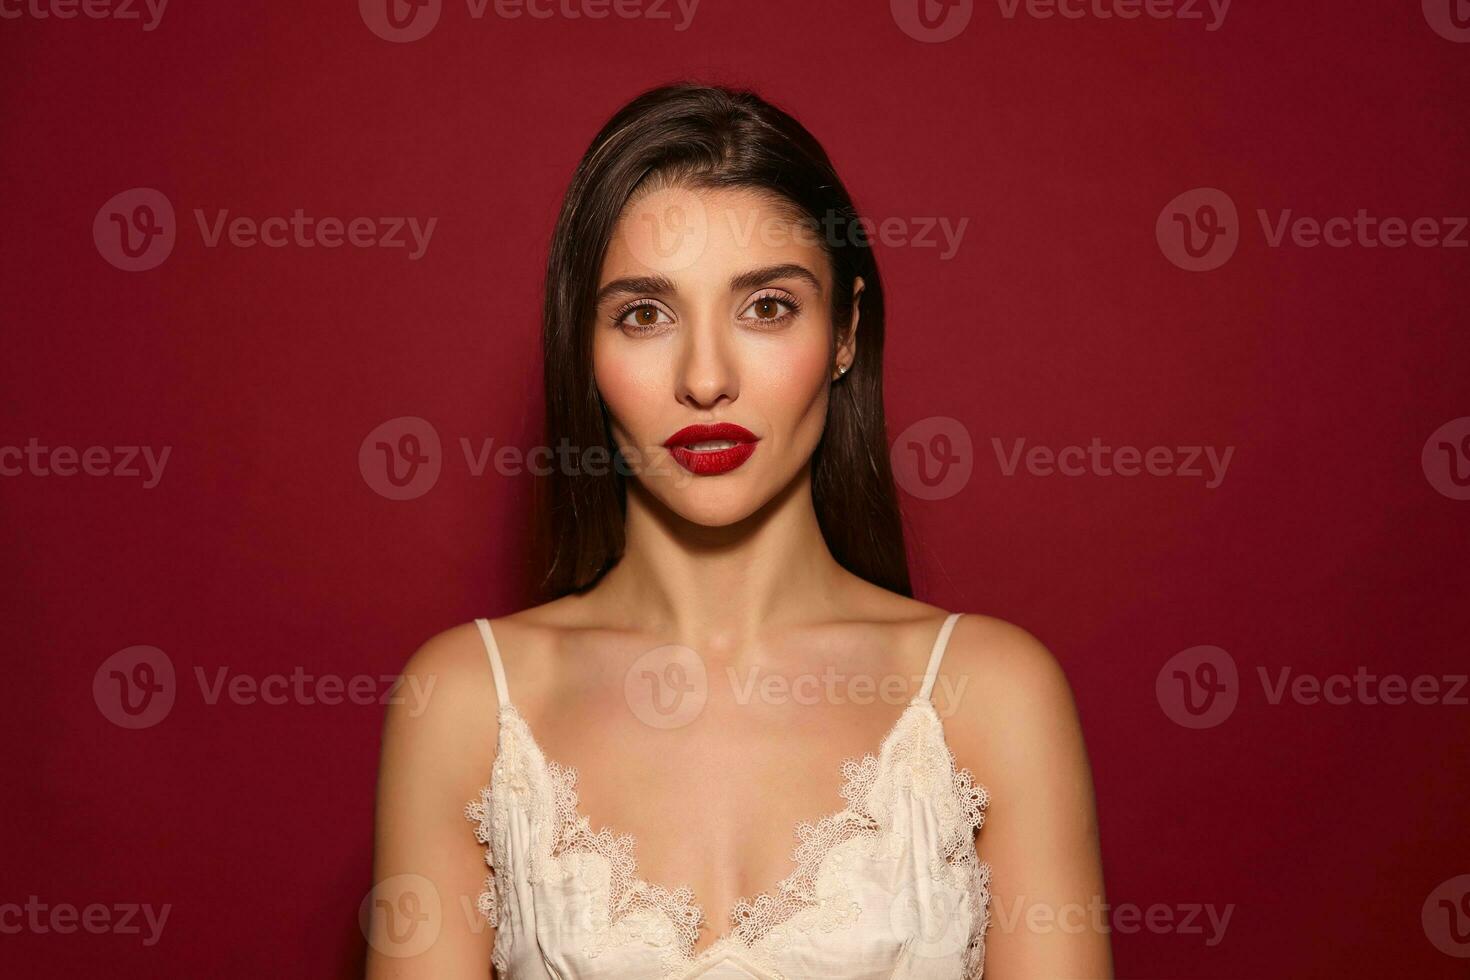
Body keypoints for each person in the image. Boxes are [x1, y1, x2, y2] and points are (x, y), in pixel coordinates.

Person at [367, 81, 1111, 979]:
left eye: (767, 307)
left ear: (845, 333)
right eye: (645, 314)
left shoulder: (993, 696)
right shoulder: (465, 704)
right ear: (583, 346)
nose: (706, 378)